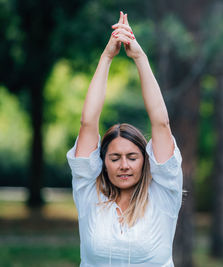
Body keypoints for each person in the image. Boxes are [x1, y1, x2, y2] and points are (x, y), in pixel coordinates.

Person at [66, 11, 183, 266]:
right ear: (103, 162)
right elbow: (87, 123)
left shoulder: (164, 192)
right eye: (115, 157)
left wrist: (139, 56)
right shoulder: (89, 193)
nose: (124, 165)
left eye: (132, 157)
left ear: (146, 159)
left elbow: (161, 123)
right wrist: (107, 57)